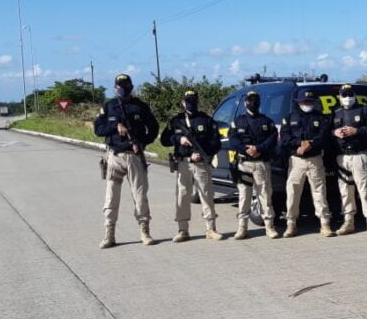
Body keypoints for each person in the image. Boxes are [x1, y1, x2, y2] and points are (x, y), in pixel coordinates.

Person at [94, 73, 159, 248]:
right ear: (115, 87)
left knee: (140, 196)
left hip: (134, 157)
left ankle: (145, 231)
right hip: (114, 156)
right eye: (120, 86)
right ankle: (109, 234)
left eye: (126, 86)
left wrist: (143, 143)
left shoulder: (140, 107)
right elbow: (98, 129)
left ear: (131, 87)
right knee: (111, 197)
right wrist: (115, 126)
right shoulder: (109, 106)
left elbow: (153, 128)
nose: (123, 89)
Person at [160, 90, 223, 242]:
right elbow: (164, 140)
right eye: (188, 101)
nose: (191, 104)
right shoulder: (176, 120)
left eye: (193, 101)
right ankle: (183, 230)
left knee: (206, 195)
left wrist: (203, 153)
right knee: (182, 196)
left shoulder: (206, 119)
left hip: (201, 164)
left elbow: (216, 142)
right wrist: (179, 139)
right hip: (183, 164)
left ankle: (211, 229)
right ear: (183, 103)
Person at [280, 89, 335, 238]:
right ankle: (291, 224)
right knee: (292, 192)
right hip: (296, 160)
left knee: (319, 192)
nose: (307, 104)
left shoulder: (321, 118)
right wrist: (299, 144)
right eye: (304, 101)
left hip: (315, 159)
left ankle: (325, 224)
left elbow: (324, 137)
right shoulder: (289, 118)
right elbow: (285, 138)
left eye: (310, 101)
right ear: (299, 102)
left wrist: (311, 144)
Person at [228, 90, 279, 240]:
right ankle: (242, 228)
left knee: (265, 196)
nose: (253, 103)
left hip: (261, 164)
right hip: (244, 164)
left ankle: (269, 227)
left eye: (255, 100)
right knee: (244, 197)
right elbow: (233, 140)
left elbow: (273, 139)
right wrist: (246, 150)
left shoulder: (266, 121)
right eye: (250, 100)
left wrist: (258, 148)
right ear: (245, 102)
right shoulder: (238, 121)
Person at [332, 84, 367, 236]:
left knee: (365, 190)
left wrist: (357, 131)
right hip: (342, 156)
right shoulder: (336, 113)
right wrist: (335, 132)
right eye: (344, 95)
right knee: (345, 191)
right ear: (340, 97)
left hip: (359, 155)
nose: (347, 98)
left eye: (350, 94)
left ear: (354, 95)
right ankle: (348, 222)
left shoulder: (364, 110)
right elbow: (328, 131)